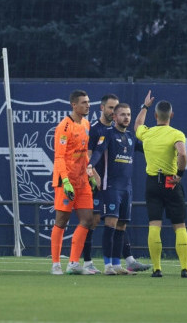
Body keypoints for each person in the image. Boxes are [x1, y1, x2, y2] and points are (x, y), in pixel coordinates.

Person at [133, 90, 187, 278]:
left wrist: (145, 106)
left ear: (156, 116)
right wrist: (180, 174)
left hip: (152, 183)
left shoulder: (147, 133)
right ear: (171, 116)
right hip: (171, 182)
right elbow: (182, 154)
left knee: (154, 224)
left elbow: (137, 125)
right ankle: (185, 268)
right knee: (179, 225)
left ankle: (157, 269)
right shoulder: (176, 134)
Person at [89, 102, 140, 275]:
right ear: (115, 117)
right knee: (110, 223)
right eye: (123, 114)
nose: (126, 117)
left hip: (127, 189)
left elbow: (150, 147)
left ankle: (117, 264)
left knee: (121, 226)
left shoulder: (132, 137)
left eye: (129, 114)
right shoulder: (107, 134)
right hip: (111, 187)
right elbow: (97, 152)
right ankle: (107, 265)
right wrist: (90, 165)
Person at [50, 90, 96, 275]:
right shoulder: (64, 127)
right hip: (65, 181)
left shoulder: (86, 124)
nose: (88, 105)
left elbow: (84, 153)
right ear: (74, 105)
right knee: (61, 221)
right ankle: (55, 264)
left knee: (87, 219)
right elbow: (59, 156)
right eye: (84, 102)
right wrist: (66, 181)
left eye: (88, 101)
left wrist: (89, 172)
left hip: (82, 180)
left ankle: (74, 263)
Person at [83, 93, 117, 274]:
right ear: (102, 108)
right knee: (93, 221)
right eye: (111, 108)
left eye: (116, 108)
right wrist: (94, 174)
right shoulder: (94, 129)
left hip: (111, 184)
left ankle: (116, 263)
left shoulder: (115, 130)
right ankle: (86, 262)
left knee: (114, 221)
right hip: (96, 183)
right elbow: (88, 155)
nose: (114, 111)